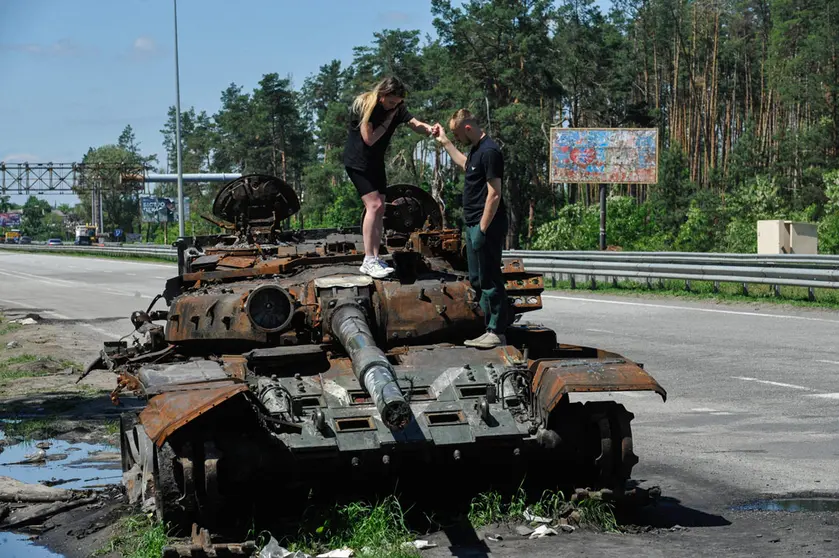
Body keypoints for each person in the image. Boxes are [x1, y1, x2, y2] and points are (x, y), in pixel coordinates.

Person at [343, 77, 435, 278]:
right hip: (357, 162)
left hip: (375, 162)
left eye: (398, 102)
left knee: (381, 207)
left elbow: (413, 122)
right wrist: (388, 120)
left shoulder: (397, 108)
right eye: (392, 102)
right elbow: (369, 139)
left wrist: (428, 129)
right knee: (373, 206)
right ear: (382, 96)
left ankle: (375, 257)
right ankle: (368, 259)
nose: (395, 106)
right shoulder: (365, 105)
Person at [432, 109, 508, 349]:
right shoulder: (476, 150)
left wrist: (482, 229)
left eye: (456, 135)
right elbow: (465, 164)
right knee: (476, 278)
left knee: (490, 278)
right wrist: (444, 141)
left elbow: (495, 193)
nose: (457, 140)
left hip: (487, 224)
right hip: (473, 222)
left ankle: (497, 330)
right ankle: (489, 328)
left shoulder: (490, 151)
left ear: (467, 128)